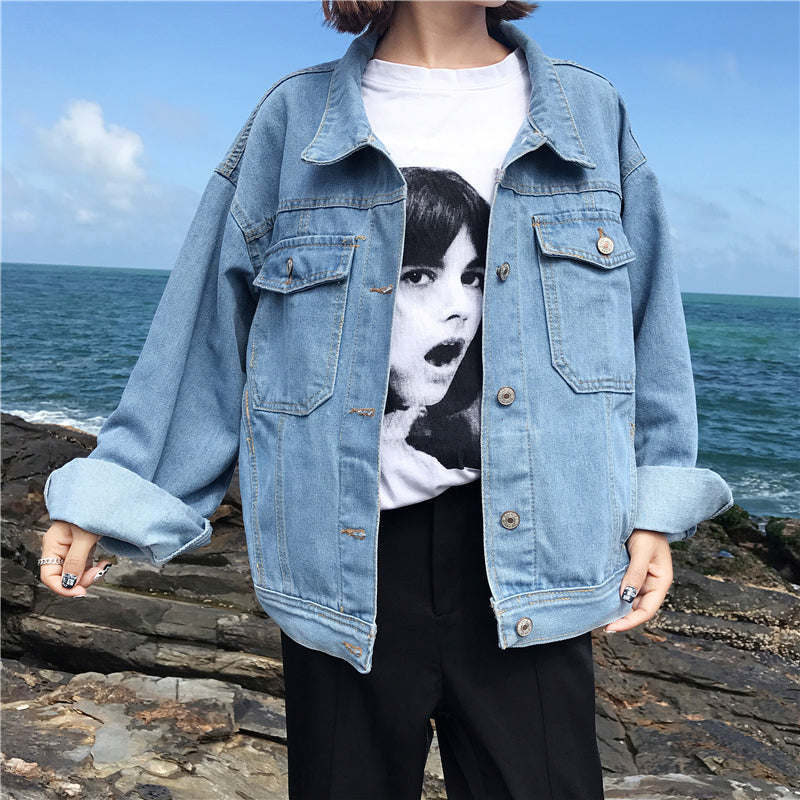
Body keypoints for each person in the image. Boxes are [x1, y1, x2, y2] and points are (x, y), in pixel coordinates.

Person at [39, 1, 734, 798]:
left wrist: (655, 503)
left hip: (541, 559)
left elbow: (649, 322)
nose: (452, 305)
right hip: (342, 569)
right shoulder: (295, 119)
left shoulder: (589, 113)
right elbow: (204, 333)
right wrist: (114, 495)